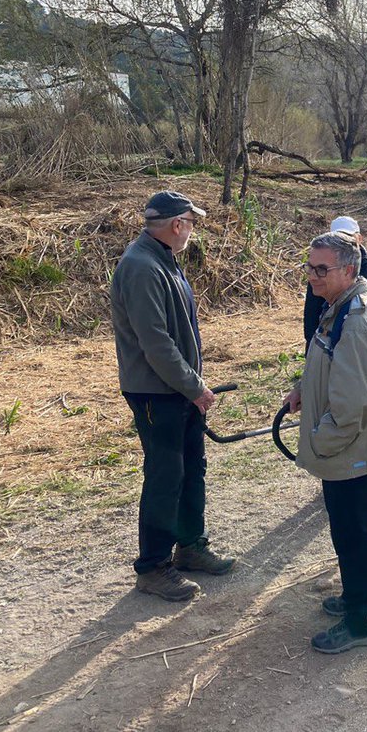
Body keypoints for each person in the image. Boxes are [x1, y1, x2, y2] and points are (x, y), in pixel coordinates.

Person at [110, 191, 234, 603]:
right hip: (156, 392)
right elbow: (156, 344)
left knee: (190, 469)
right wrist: (194, 386)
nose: (193, 231)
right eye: (192, 223)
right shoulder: (142, 266)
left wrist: (190, 385)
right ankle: (153, 567)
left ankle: (190, 547)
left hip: (175, 389)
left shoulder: (161, 259)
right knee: (165, 478)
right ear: (177, 224)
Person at [284, 233, 367, 654]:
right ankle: (360, 596)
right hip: (346, 450)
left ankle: (366, 621)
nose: (312, 276)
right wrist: (301, 389)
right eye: (309, 267)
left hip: (350, 451)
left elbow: (353, 405)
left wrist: (319, 439)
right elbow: (328, 366)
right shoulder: (339, 310)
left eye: (321, 269)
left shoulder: (360, 322)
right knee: (352, 532)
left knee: (355, 535)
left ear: (349, 271)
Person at [303, 216, 367, 346]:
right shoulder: (320, 270)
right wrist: (312, 344)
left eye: (348, 236)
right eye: (338, 237)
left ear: (359, 238)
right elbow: (311, 312)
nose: (344, 242)